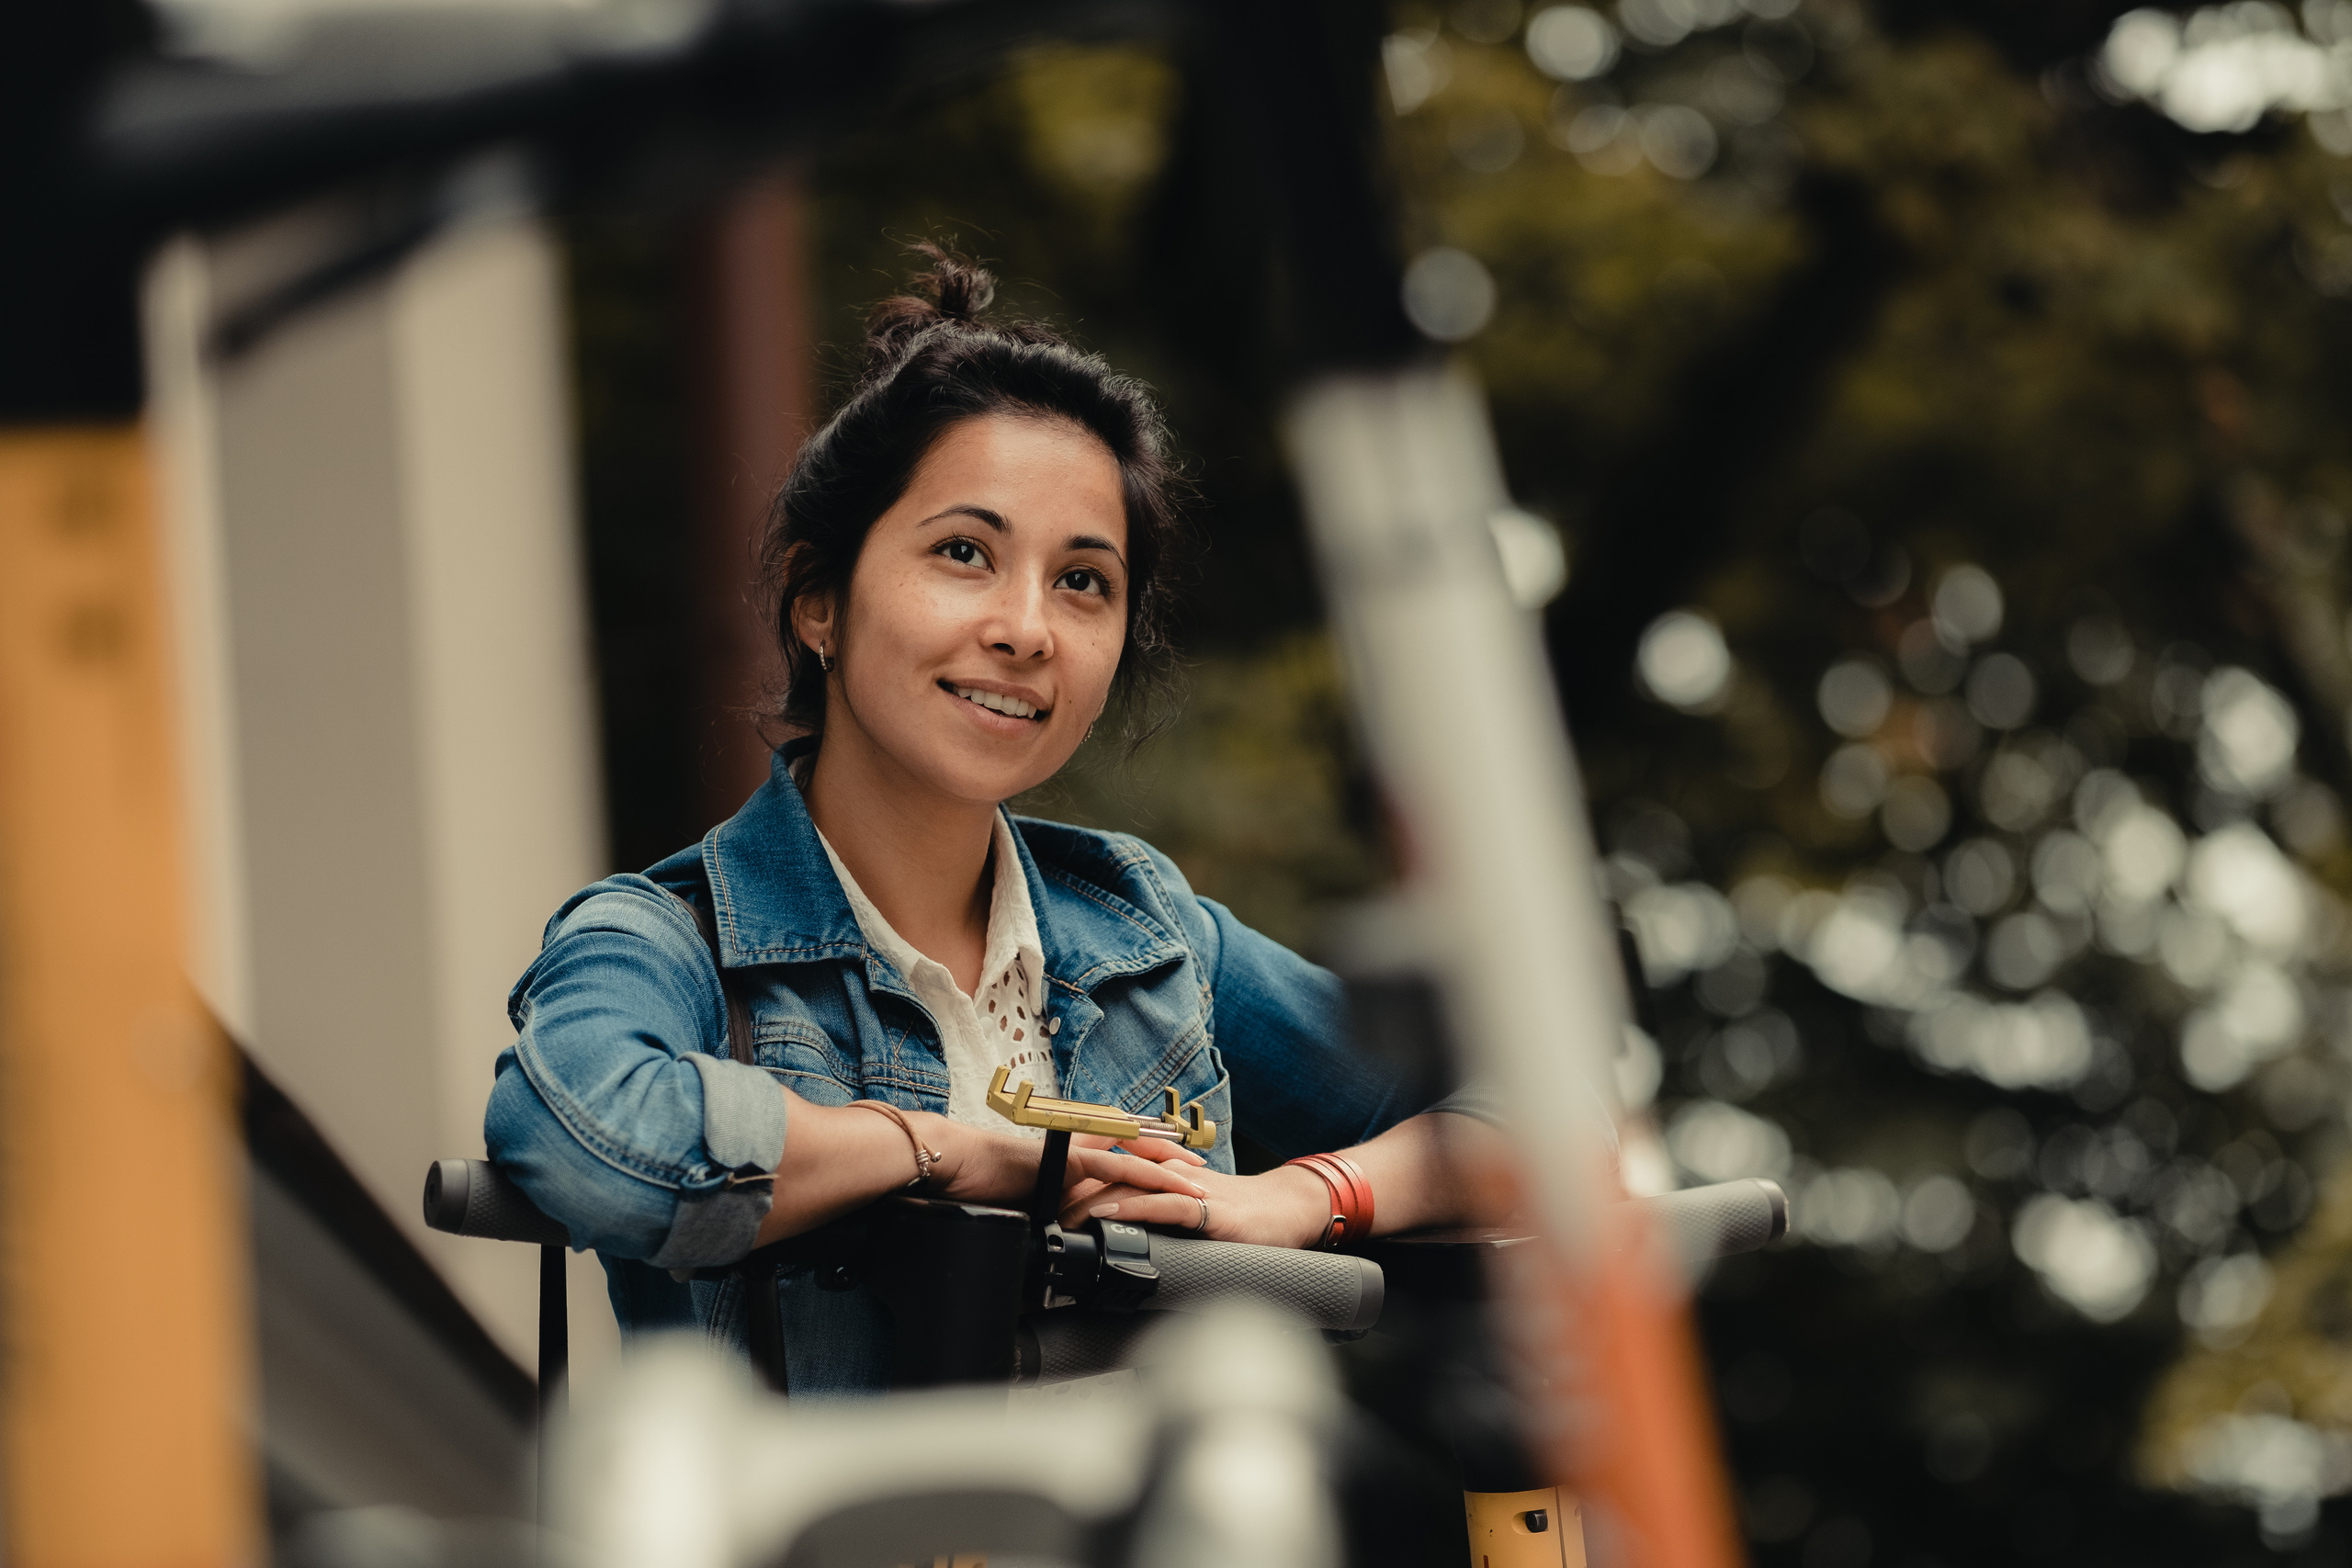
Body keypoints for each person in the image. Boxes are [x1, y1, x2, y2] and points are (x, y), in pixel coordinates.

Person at [484, 247, 1507, 1393]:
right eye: (963, 554)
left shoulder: (1151, 933)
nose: (1027, 629)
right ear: (818, 601)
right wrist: (955, 1155)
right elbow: (589, 1140)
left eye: (1083, 582)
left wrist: (1295, 1199)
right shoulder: (668, 940)